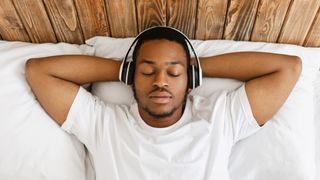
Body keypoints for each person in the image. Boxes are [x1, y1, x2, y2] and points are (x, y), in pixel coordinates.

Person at [25, 27, 301, 180]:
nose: (160, 81)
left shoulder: (220, 117)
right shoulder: (104, 124)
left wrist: (197, 67)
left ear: (190, 79)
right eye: (147, 71)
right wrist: (123, 70)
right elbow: (39, 71)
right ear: (132, 78)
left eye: (174, 72)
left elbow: (288, 69)